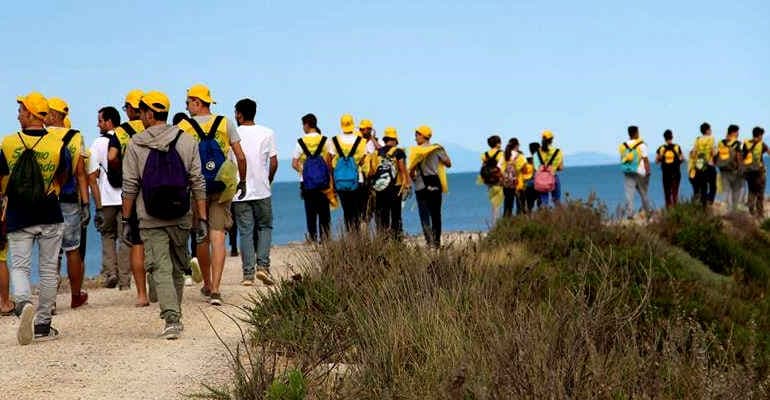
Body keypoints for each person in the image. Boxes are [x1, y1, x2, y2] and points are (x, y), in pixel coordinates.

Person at [121, 91, 207, 339]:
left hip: (148, 216)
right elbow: (197, 182)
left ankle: (172, 319)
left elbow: (130, 186)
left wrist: (127, 220)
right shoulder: (187, 140)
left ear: (149, 113)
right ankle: (174, 315)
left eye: (141, 112)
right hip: (180, 214)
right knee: (177, 268)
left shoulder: (135, 143)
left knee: (160, 267)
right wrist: (201, 217)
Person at [1, 92, 69, 344]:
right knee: (49, 268)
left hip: (19, 213)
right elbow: (65, 175)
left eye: (21, 110)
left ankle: (22, 303)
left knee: (19, 266)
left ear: (30, 113)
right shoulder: (56, 143)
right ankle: (42, 324)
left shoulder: (7, 143)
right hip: (50, 211)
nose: (18, 114)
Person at [178, 83, 247, 306]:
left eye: (189, 102)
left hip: (196, 187)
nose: (187, 106)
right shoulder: (225, 123)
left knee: (202, 236)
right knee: (218, 237)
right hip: (221, 186)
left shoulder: (183, 126)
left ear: (197, 102)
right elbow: (241, 156)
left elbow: (178, 160)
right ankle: (217, 289)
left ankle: (206, 284)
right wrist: (242, 181)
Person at [46, 97, 89, 309]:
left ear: (52, 115)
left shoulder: (42, 137)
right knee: (73, 249)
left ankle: (50, 301)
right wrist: (86, 204)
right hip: (70, 198)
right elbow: (81, 174)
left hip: (47, 199)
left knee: (50, 251)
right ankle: (75, 296)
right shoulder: (75, 137)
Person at [88, 106, 133, 302]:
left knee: (107, 235)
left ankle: (110, 272)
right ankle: (125, 279)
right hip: (125, 197)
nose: (98, 124)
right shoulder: (126, 138)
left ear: (108, 122)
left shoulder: (98, 143)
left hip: (106, 199)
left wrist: (96, 205)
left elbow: (92, 176)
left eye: (100, 120)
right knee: (126, 238)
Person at [232, 99, 278, 286]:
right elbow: (273, 162)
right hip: (262, 189)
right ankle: (263, 267)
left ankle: (248, 275)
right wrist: (268, 179)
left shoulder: (233, 134)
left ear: (240, 114)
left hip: (239, 191)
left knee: (245, 232)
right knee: (265, 227)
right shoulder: (268, 132)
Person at [110, 89, 150, 305]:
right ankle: (156, 287)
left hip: (132, 190)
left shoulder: (121, 132)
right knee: (156, 238)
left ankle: (141, 294)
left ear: (131, 109)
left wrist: (120, 171)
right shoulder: (153, 128)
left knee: (137, 241)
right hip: (154, 189)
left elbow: (112, 156)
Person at [409, 125, 451, 248]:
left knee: (424, 215)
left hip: (420, 186)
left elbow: (411, 171)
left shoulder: (415, 151)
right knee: (436, 215)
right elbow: (448, 163)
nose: (415, 138)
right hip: (434, 184)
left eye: (417, 135)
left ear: (423, 135)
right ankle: (437, 243)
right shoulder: (437, 149)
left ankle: (429, 242)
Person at [292, 113, 332, 242]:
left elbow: (294, 163)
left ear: (307, 125)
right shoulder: (325, 140)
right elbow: (330, 161)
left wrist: (303, 171)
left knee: (310, 211)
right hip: (323, 181)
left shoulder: (301, 142)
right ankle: (325, 238)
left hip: (307, 182)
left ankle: (312, 238)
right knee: (324, 211)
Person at [328, 114, 368, 232]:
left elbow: (330, 161)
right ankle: (356, 235)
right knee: (356, 209)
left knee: (346, 210)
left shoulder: (334, 140)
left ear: (341, 125)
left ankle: (349, 234)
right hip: (356, 179)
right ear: (352, 124)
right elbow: (363, 159)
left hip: (340, 180)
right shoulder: (361, 141)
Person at [172, 112, 198, 287]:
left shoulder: (172, 140)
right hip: (196, 189)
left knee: (181, 233)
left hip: (179, 192)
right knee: (196, 231)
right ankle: (195, 262)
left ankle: (184, 270)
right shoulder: (192, 140)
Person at [374, 127, 410, 239]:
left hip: (380, 189)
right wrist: (407, 184)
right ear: (394, 139)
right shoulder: (398, 152)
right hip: (395, 189)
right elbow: (402, 168)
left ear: (385, 139)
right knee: (396, 216)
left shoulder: (378, 152)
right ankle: (397, 241)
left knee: (383, 217)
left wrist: (372, 138)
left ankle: (383, 241)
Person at [620, 125, 652, 218]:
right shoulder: (641, 144)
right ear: (636, 133)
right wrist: (648, 171)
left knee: (629, 194)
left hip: (628, 171)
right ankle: (648, 211)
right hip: (640, 171)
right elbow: (645, 159)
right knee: (643, 193)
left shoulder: (623, 145)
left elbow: (623, 158)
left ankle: (630, 214)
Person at [715, 124, 744, 212]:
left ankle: (725, 211)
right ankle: (734, 211)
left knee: (725, 191)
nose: (738, 134)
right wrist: (741, 168)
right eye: (737, 132)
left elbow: (716, 155)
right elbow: (739, 157)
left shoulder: (721, 142)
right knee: (736, 191)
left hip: (723, 170)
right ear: (734, 132)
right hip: (734, 171)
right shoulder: (737, 143)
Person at [743, 126, 768, 217]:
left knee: (751, 191)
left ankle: (751, 210)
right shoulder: (761, 144)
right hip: (759, 172)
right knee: (760, 193)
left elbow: (743, 157)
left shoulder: (746, 144)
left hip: (749, 172)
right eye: (762, 135)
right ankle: (760, 213)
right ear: (760, 135)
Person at [655, 129, 684, 208]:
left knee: (667, 193)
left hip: (666, 174)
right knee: (675, 192)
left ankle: (668, 209)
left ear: (664, 138)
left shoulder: (661, 148)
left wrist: (662, 158)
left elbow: (656, 161)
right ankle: (676, 208)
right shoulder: (677, 147)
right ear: (672, 137)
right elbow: (682, 159)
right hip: (676, 173)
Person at [480, 135, 504, 222]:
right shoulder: (501, 154)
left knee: (494, 202)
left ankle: (494, 222)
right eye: (500, 142)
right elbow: (502, 168)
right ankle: (496, 224)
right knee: (498, 203)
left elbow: (483, 167)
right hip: (498, 180)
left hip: (488, 180)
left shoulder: (485, 155)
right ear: (497, 143)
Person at [692, 122, 717, 207]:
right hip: (708, 163)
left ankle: (703, 205)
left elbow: (694, 152)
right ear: (707, 130)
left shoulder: (697, 139)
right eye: (710, 129)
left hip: (699, 163)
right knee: (713, 184)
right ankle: (710, 200)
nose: (711, 131)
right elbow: (713, 153)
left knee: (703, 186)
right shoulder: (711, 139)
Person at [501, 138, 528, 216]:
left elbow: (499, 168)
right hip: (518, 183)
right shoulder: (520, 156)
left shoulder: (504, 155)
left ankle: (506, 222)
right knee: (520, 205)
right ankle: (519, 222)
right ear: (517, 145)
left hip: (507, 183)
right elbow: (525, 170)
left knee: (508, 204)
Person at [536, 131, 564, 207]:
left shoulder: (537, 152)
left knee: (544, 201)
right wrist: (552, 168)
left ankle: (544, 216)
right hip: (553, 177)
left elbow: (536, 167)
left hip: (541, 179)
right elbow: (561, 168)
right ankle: (559, 217)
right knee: (556, 200)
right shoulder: (558, 152)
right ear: (552, 140)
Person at [526, 142, 541, 211]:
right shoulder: (541, 159)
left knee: (529, 205)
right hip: (539, 183)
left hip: (529, 184)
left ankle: (528, 219)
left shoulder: (527, 160)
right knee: (540, 204)